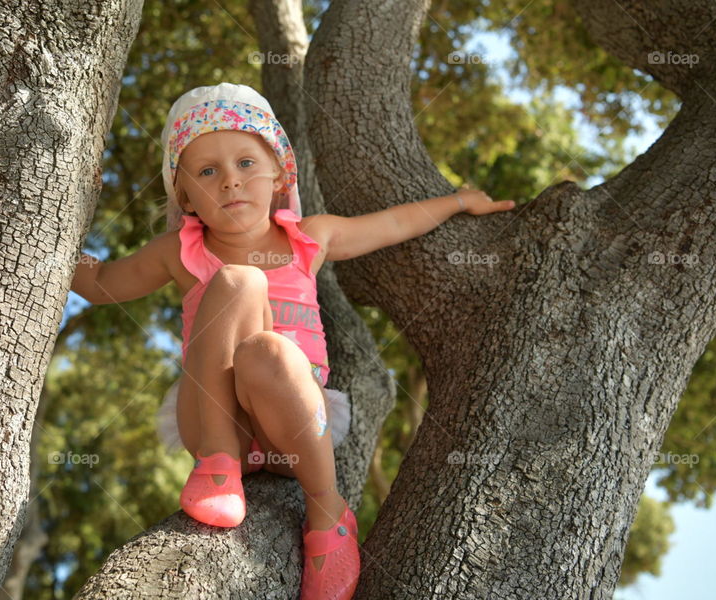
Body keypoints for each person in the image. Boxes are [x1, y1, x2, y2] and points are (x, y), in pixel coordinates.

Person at [70, 82, 515, 600]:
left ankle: (327, 515)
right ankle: (217, 469)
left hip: (291, 425)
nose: (230, 183)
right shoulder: (179, 250)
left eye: (245, 164)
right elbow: (102, 284)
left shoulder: (310, 237)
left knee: (272, 349)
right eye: (207, 172)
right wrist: (59, 233)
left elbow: (392, 223)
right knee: (240, 281)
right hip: (217, 422)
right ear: (185, 194)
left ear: (279, 174)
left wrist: (460, 200)